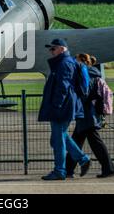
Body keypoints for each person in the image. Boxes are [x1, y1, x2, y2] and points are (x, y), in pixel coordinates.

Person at [38, 39, 91, 180]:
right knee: (60, 137)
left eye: (53, 49)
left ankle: (60, 170)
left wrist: (56, 105)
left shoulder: (65, 63)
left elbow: (63, 87)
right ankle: (82, 159)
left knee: (58, 139)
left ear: (62, 49)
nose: (51, 51)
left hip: (62, 106)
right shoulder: (63, 63)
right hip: (63, 105)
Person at [66, 54, 114, 178]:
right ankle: (68, 169)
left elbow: (84, 94)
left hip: (87, 113)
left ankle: (109, 168)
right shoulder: (94, 74)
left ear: (82, 62)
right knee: (77, 141)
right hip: (90, 112)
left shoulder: (85, 74)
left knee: (93, 142)